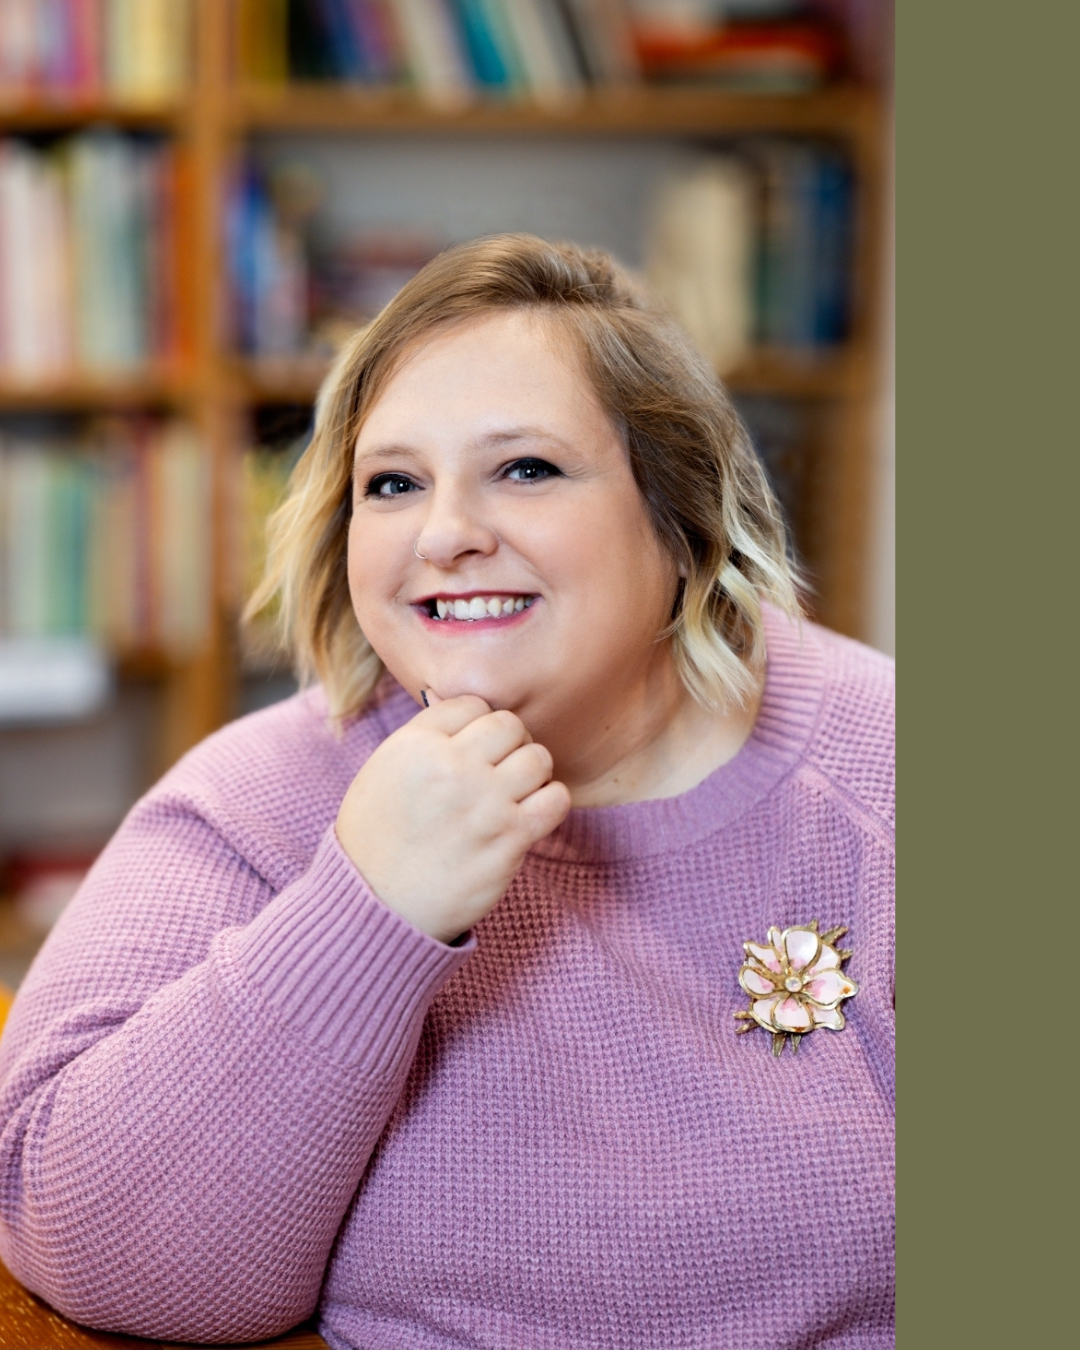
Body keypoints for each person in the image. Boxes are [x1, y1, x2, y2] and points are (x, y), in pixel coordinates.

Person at [0, 235, 894, 1350]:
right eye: (394, 484)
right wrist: (367, 910)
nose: (446, 535)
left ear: (682, 521)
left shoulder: (889, 772)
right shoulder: (252, 801)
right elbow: (87, 1245)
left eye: (526, 468)